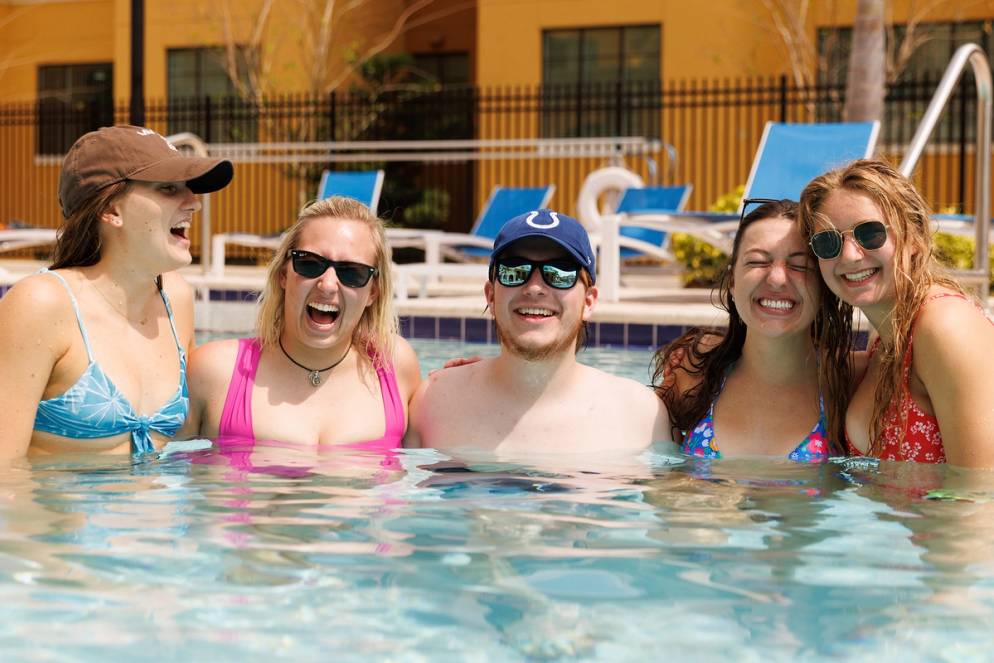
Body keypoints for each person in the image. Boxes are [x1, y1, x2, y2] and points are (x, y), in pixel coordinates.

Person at [0, 125, 233, 458]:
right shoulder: (43, 305)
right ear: (110, 210)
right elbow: (4, 475)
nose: (193, 203)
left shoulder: (175, 300)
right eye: (168, 188)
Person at [405, 208, 671, 453]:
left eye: (560, 273)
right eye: (515, 271)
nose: (534, 287)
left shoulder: (641, 416)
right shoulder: (435, 403)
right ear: (490, 296)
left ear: (588, 302)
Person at [798, 158, 994, 467]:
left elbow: (981, 496)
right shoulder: (887, 340)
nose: (849, 255)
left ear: (913, 237)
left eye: (870, 234)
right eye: (828, 242)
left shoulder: (946, 326)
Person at [182, 196, 420, 448]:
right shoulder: (216, 371)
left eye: (352, 272)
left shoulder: (394, 364)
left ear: (373, 292)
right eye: (309, 263)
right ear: (284, 274)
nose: (327, 284)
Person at [653, 199, 852, 462]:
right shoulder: (694, 372)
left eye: (799, 266)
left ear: (823, 286)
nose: (777, 279)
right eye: (758, 262)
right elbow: (654, 473)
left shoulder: (846, 383)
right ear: (733, 282)